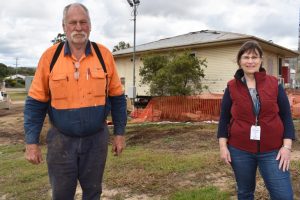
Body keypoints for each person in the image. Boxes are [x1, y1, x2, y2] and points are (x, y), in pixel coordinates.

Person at [24, 3, 127, 200]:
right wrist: (31, 143)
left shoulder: (104, 55)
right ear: (64, 27)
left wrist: (119, 134)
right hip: (60, 141)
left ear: (90, 26)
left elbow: (117, 98)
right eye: (73, 23)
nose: (78, 27)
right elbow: (35, 104)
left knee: (93, 193)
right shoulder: (49, 58)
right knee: (62, 195)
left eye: (83, 22)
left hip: (96, 141)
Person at [217, 40, 295, 200]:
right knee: (245, 193)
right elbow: (224, 118)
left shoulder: (274, 84)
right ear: (239, 61)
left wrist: (286, 147)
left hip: (273, 150)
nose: (250, 61)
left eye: (254, 57)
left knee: (283, 196)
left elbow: (286, 117)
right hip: (240, 150)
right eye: (246, 57)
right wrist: (223, 147)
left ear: (261, 60)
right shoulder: (231, 87)